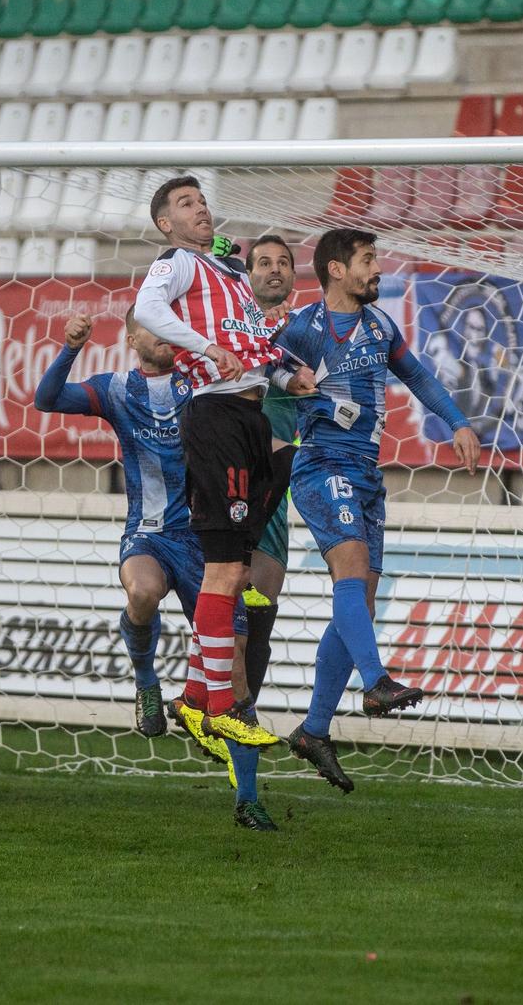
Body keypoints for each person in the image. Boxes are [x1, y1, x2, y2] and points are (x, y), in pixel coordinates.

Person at [33, 312, 268, 826]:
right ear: (131, 337)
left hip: (208, 541)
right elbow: (46, 399)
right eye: (153, 328)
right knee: (141, 590)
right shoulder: (117, 390)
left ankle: (248, 799)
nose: (163, 337)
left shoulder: (203, 388)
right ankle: (147, 682)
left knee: (236, 671)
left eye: (172, 328)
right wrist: (71, 347)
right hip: (150, 532)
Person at [276, 228, 481, 794]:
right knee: (352, 567)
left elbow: (415, 375)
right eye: (367, 261)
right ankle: (376, 682)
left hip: (367, 471)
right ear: (336, 270)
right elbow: (260, 376)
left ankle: (314, 729)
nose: (377, 271)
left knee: (360, 597)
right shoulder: (304, 329)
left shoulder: (379, 325)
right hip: (320, 463)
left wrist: (458, 422)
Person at [129, 177, 314, 798]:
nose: (200, 209)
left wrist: (290, 374)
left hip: (249, 415)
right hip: (214, 417)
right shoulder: (176, 264)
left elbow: (256, 346)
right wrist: (205, 346)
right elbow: (148, 314)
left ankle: (193, 697)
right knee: (222, 573)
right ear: (165, 224)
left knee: (233, 573)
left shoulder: (231, 278)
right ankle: (219, 705)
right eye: (185, 204)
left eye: (202, 200)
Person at [242, 233, 301, 707]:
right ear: (248, 274)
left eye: (283, 262)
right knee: (220, 601)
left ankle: (245, 717)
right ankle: (210, 702)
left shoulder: (304, 332)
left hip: (273, 479)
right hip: (224, 469)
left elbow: (309, 385)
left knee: (262, 599)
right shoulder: (228, 328)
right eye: (263, 262)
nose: (274, 269)